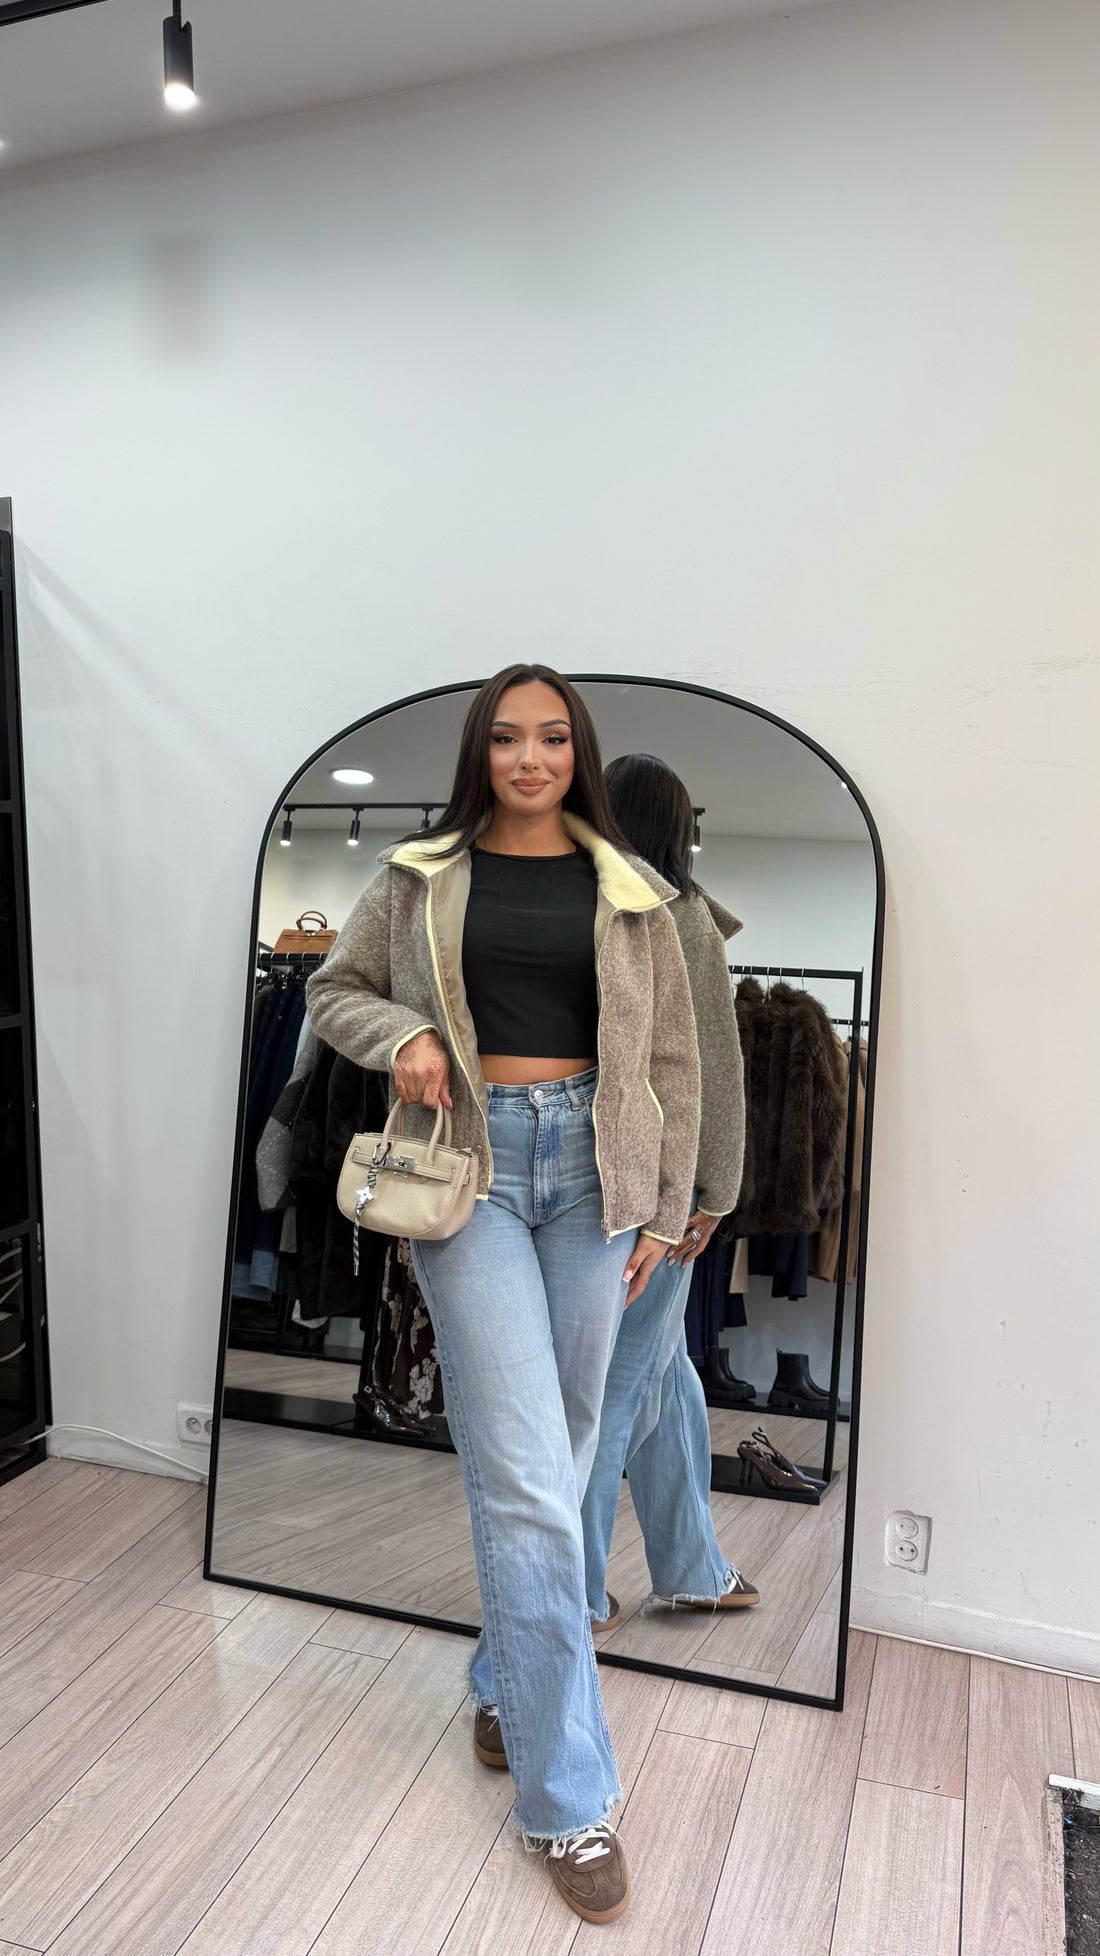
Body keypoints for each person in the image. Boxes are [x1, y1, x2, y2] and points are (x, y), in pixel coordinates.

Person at [305, 667, 700, 1925]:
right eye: (507, 739)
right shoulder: (417, 876)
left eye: (552, 738)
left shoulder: (629, 890)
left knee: (568, 1449)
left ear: (577, 752)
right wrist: (404, 1038)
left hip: (595, 1178)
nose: (529, 758)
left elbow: (674, 1058)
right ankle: (567, 1800)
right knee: (528, 1475)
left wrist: (666, 1205)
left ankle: (505, 1681)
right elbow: (332, 990)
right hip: (466, 1173)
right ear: (479, 751)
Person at [582, 752, 761, 1635]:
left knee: (665, 1374)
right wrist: (714, 1188)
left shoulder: (578, 899)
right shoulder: (676, 915)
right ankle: (573, 1592)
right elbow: (713, 1068)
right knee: (615, 1389)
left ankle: (694, 1566)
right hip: (656, 1190)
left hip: (578, 1174)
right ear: (679, 828)